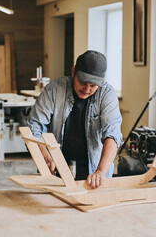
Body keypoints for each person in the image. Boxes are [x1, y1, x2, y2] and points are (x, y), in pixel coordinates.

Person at [27, 50, 123, 189]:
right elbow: (33, 127)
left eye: (93, 85)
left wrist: (101, 171)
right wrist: (46, 158)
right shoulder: (54, 90)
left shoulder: (107, 94)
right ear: (73, 72)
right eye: (83, 82)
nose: (87, 89)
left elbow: (112, 134)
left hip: (94, 172)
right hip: (56, 170)